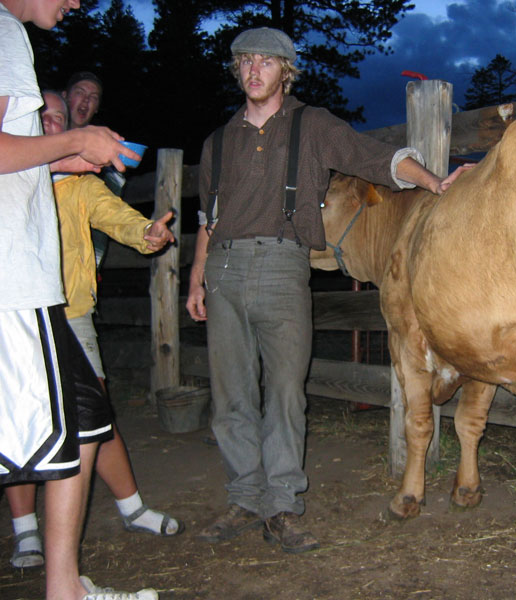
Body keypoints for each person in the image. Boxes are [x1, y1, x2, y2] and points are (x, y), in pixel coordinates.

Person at [186, 27, 464, 553]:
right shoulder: (217, 141)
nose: (254, 71)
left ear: (285, 73)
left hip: (282, 266)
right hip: (223, 271)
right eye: (246, 61)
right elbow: (208, 218)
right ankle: (244, 498)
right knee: (231, 397)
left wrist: (434, 182)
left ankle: (282, 506)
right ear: (237, 69)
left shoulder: (312, 125)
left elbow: (374, 157)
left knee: (286, 394)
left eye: (267, 62)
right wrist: (197, 276)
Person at [0, 1, 155, 599]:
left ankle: (65, 587)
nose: (76, 4)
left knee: (85, 417)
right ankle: (41, 555)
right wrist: (76, 141)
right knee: (59, 425)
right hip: (15, 290)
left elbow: (116, 216)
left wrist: (72, 156)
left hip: (44, 299)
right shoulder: (6, 35)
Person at [5, 90, 181, 573]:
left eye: (58, 118)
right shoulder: (11, 179)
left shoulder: (79, 186)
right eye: (41, 116)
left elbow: (116, 216)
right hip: (15, 314)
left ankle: (133, 508)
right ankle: (25, 530)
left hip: (71, 313)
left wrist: (147, 233)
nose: (50, 123)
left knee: (95, 414)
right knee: (21, 422)